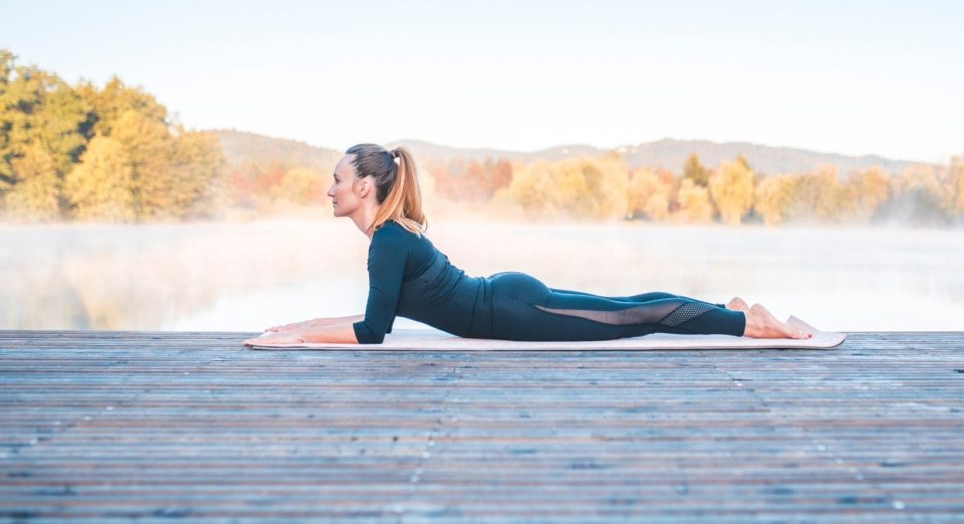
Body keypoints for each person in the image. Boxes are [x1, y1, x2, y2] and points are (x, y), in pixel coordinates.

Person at [242, 143, 811, 347]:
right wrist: (302, 325)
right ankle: (729, 310)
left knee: (630, 316)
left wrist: (302, 334)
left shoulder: (387, 241)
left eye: (337, 181)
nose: (330, 190)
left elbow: (371, 334)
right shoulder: (389, 238)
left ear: (364, 187)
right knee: (623, 308)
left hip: (513, 308)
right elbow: (376, 316)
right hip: (508, 300)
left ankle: (749, 324)